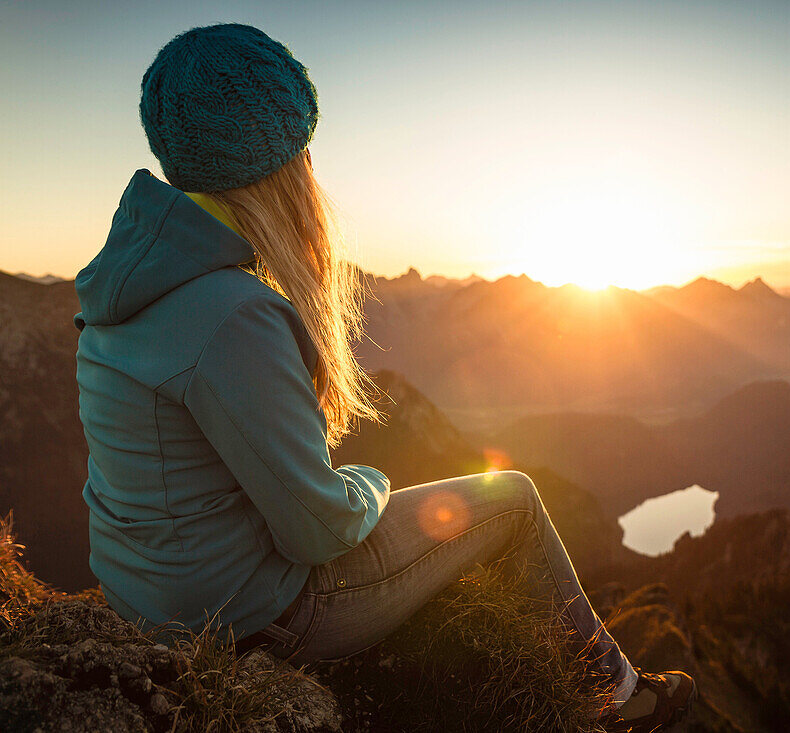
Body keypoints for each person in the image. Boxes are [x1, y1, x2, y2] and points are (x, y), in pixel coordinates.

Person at [73, 23, 695, 731]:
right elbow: (317, 530)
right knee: (513, 498)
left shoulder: (123, 290)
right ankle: (618, 696)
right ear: (279, 162)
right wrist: (371, 483)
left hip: (145, 598)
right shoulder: (234, 312)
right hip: (250, 616)